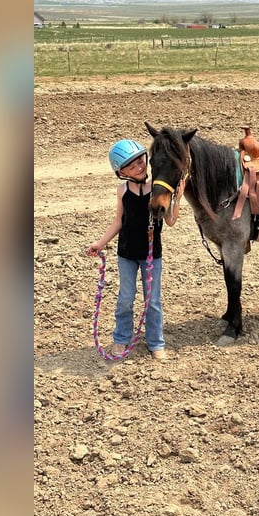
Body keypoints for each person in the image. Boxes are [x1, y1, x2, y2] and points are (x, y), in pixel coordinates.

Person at [86, 139, 167, 360]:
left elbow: (170, 219)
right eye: (132, 166)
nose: (139, 167)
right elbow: (118, 222)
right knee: (125, 298)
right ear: (121, 172)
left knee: (153, 301)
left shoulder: (157, 190)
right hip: (127, 254)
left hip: (152, 255)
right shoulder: (122, 191)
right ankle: (121, 338)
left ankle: (156, 342)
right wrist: (100, 243)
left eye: (141, 161)